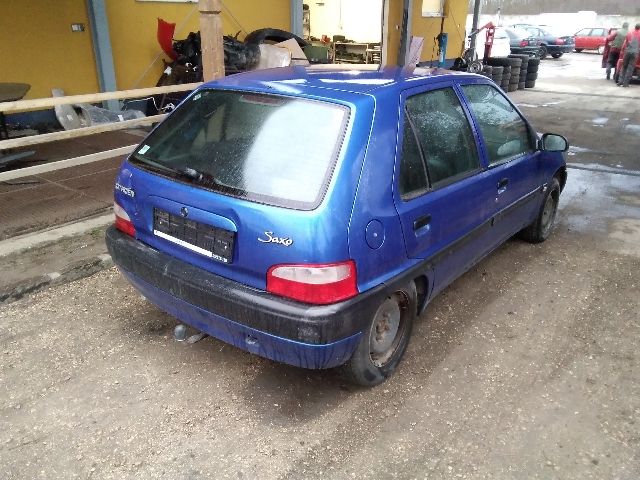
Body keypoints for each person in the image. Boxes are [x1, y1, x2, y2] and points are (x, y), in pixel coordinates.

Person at [617, 23, 640, 87]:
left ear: (635, 27)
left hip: (627, 52)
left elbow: (626, 43)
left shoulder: (629, 33)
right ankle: (625, 83)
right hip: (635, 53)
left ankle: (620, 82)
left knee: (624, 66)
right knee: (630, 68)